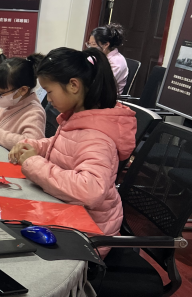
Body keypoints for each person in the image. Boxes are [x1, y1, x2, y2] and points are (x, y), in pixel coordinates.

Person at [9, 47, 136, 237]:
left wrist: (34, 162)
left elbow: (90, 191)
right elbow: (65, 147)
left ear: (73, 85)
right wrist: (34, 146)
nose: (48, 100)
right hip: (68, 213)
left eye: (49, 92)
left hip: (88, 232)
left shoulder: (97, 137)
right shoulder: (80, 118)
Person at [87, 23, 127, 95]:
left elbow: (102, 84)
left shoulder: (117, 63)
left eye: (93, 44)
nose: (90, 48)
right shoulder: (99, 55)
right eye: (89, 44)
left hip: (106, 96)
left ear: (106, 45)